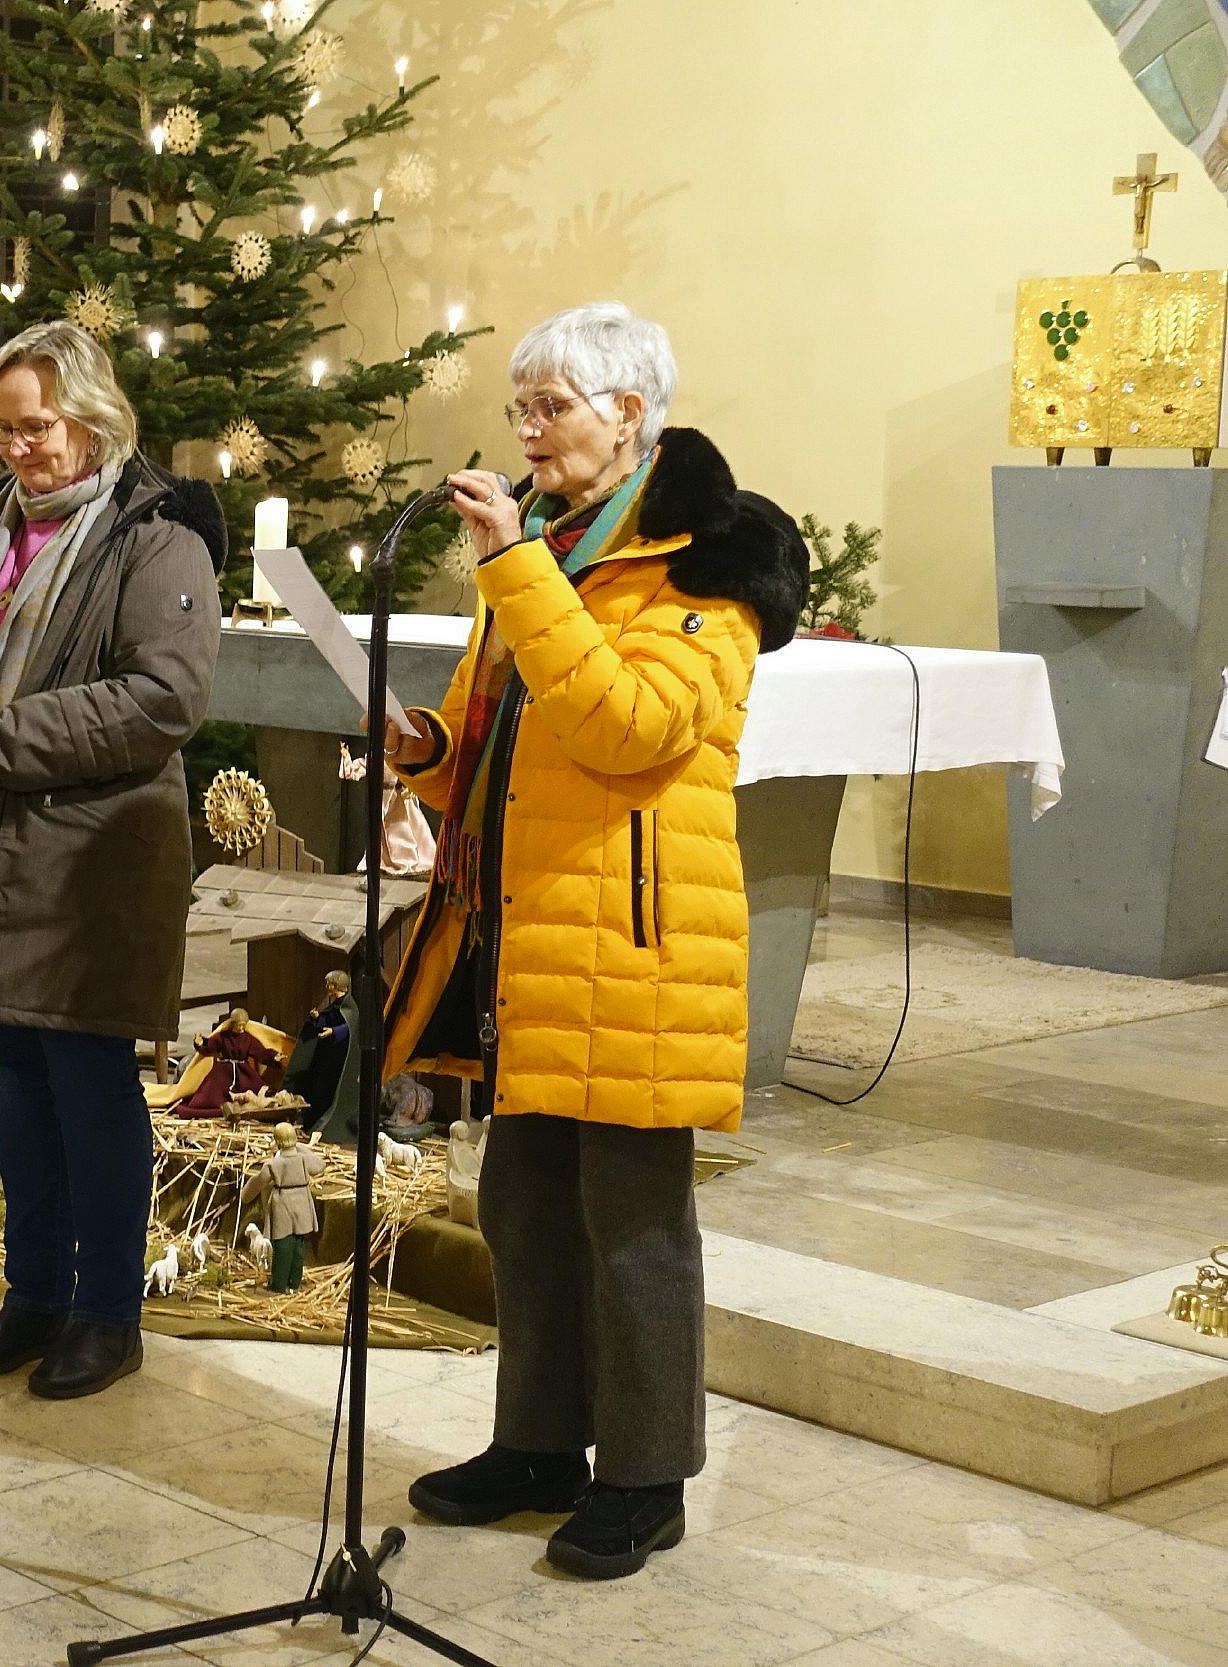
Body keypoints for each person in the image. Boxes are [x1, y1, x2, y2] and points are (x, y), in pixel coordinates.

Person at [383, 302, 807, 1580]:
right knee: (521, 1200)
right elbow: (509, 739)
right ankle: (536, 1445)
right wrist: (428, 751)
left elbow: (629, 727)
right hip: (529, 918)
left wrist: (516, 569)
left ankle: (642, 1476)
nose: (526, 428)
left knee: (631, 1220)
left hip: (633, 932)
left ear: (628, 414)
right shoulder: (552, 544)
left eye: (550, 405)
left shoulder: (709, 561)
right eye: (519, 405)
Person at [0, 320, 221, 1400]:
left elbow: (162, 698)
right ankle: (32, 1293)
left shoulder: (155, 535)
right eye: (2, 429)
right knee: (21, 1089)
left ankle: (108, 1314)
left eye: (35, 427)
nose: (17, 448)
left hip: (90, 860)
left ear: (90, 415)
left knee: (89, 1090)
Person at [242, 1124, 327, 1292]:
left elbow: (258, 1181)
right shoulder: (303, 1159)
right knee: (297, 1246)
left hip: (283, 1205)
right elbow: (319, 1165)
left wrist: (245, 1196)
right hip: (302, 1203)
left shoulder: (274, 1164)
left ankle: (279, 1284)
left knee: (283, 1247)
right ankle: (294, 1282)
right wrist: (298, 1146)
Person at [287, 971, 354, 1130]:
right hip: (326, 1056)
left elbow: (351, 1026)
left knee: (329, 1089)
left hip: (339, 1058)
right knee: (316, 1087)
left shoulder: (349, 1006)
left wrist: (334, 1031)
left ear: (335, 985)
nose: (326, 987)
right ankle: (312, 1121)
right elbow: (325, 1022)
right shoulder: (334, 1005)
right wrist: (317, 1018)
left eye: (328, 984)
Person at [177, 1009, 275, 1117]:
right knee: (211, 1093)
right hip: (223, 1070)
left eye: (243, 1025)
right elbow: (210, 1045)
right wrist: (201, 1043)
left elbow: (260, 1052)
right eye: (238, 1025)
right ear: (232, 1023)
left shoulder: (248, 1039)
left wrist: (273, 1056)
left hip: (243, 1072)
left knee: (257, 1090)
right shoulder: (223, 1036)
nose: (241, 1028)